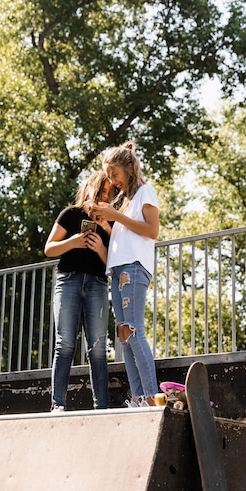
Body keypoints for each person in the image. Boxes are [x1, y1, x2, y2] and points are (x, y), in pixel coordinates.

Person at [87, 141, 159, 407]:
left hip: (134, 268)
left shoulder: (145, 192)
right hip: (118, 271)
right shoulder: (125, 202)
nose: (112, 181)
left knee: (133, 330)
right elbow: (127, 235)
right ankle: (139, 397)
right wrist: (108, 226)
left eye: (114, 174)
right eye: (108, 176)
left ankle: (151, 396)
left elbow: (152, 231)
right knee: (124, 335)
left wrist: (116, 215)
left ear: (129, 167)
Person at [44, 172, 115, 412]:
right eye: (102, 191)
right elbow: (49, 249)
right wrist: (72, 243)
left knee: (97, 348)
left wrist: (101, 248)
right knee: (64, 344)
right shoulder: (70, 214)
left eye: (109, 193)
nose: (105, 197)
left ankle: (101, 406)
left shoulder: (112, 223)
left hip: (97, 284)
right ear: (90, 189)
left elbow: (113, 263)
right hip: (68, 281)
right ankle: (58, 404)